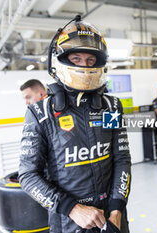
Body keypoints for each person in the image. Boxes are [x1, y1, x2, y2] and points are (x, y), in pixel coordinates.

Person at [19, 15, 131, 233]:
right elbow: (28, 176)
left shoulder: (111, 106)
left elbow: (122, 159)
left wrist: (117, 209)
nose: (85, 66)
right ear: (60, 60)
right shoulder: (40, 113)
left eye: (90, 61)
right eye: (76, 59)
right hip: (69, 223)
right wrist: (72, 209)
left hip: (113, 220)